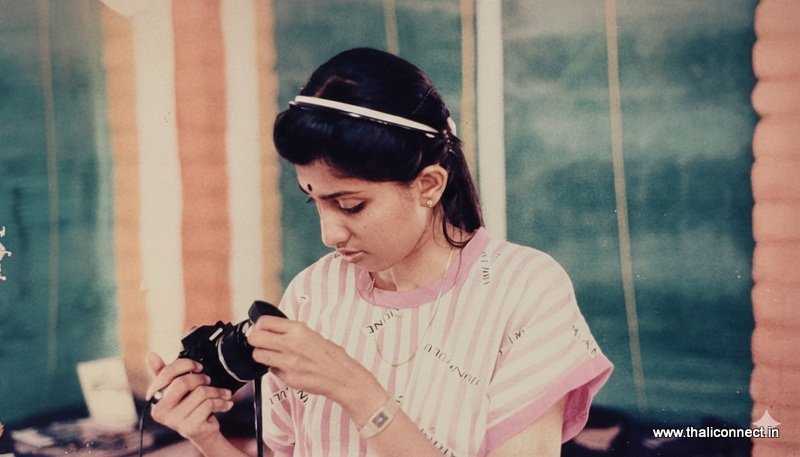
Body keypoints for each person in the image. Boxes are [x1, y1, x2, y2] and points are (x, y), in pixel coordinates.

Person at [146, 47, 613, 457]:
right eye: (314, 201)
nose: (329, 233)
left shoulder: (524, 290)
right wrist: (206, 438)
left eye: (351, 205)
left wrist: (356, 389)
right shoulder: (312, 292)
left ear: (429, 185)